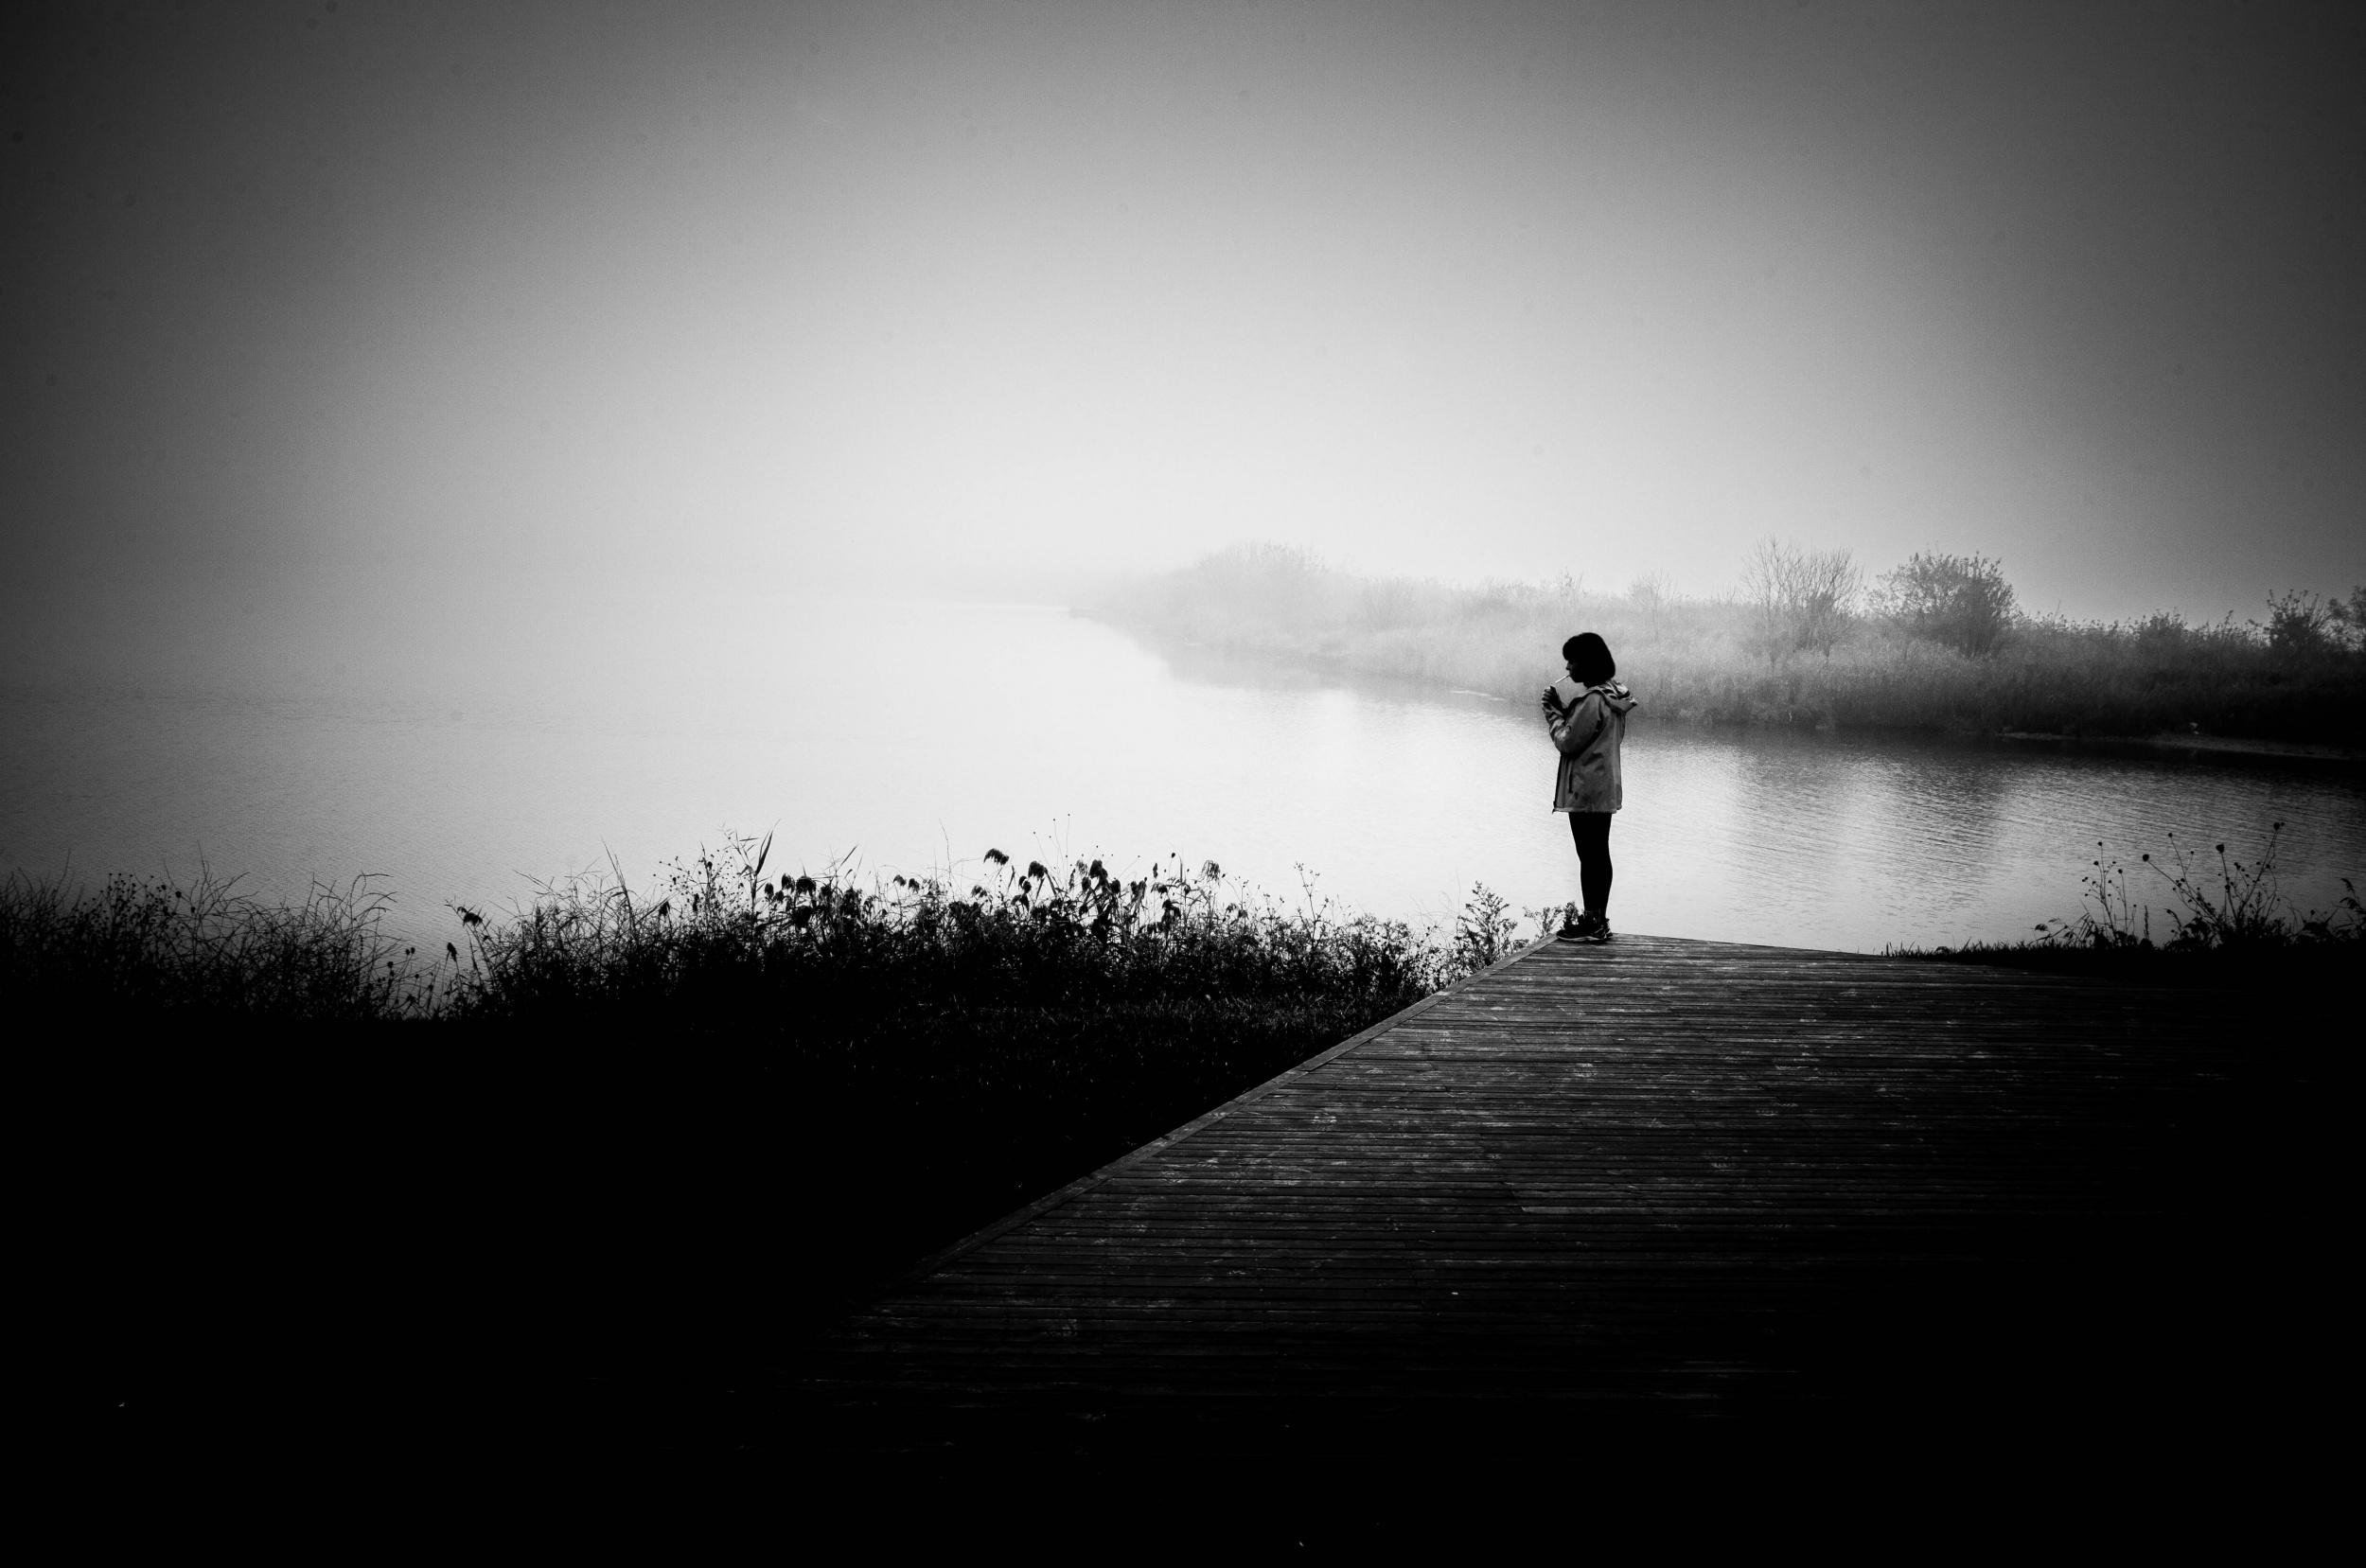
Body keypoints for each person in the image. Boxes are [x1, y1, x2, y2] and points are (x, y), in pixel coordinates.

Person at [1540, 632, 1637, 943]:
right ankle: (1598, 921)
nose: (1568, 667)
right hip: (1604, 786)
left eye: (1572, 661)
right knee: (1599, 854)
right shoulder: (1612, 695)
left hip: (1584, 788)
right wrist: (1565, 710)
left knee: (1588, 856)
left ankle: (1591, 923)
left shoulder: (1592, 700)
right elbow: (1591, 733)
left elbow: (1568, 741)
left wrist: (1552, 712)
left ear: (1588, 663)